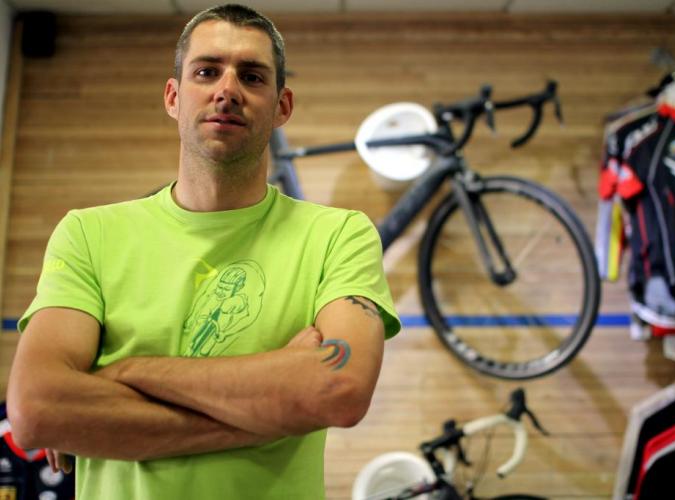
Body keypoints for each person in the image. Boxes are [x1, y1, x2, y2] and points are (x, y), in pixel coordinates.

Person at [6, 4, 400, 499]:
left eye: (252, 77)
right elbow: (36, 410)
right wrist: (273, 409)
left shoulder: (337, 235)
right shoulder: (88, 233)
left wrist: (122, 374)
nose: (227, 90)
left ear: (282, 107)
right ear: (173, 97)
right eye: (207, 71)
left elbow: (339, 389)